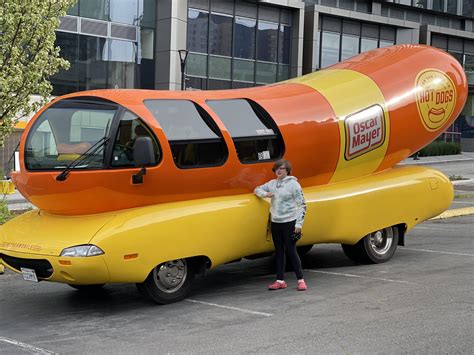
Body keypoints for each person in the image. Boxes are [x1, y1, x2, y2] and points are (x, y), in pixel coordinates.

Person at [254, 159, 308, 291]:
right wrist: (265, 194)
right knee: (279, 252)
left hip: (289, 222)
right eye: (277, 168)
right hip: (276, 223)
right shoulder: (272, 184)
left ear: (287, 170)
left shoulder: (294, 184)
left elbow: (303, 204)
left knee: (291, 251)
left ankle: (301, 280)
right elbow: (256, 189)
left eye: (282, 168)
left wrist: (299, 224)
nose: (279, 170)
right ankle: (280, 281)